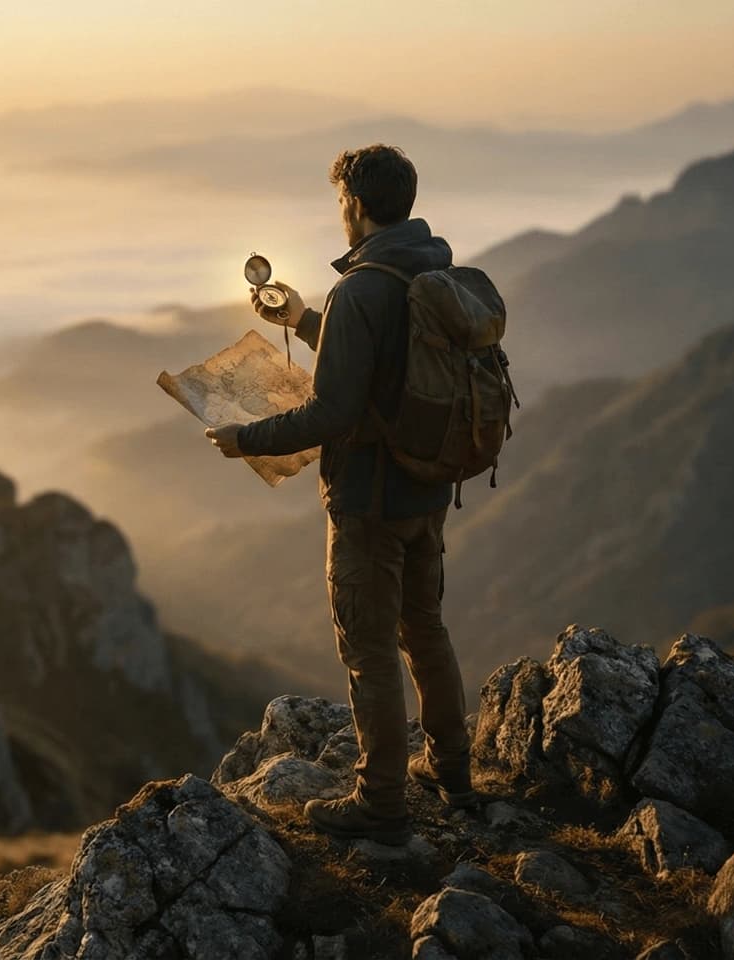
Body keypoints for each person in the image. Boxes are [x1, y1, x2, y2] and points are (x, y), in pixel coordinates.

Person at [205, 144, 475, 846]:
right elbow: (386, 369)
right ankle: (454, 773)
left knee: (370, 650)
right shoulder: (429, 268)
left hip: (367, 499)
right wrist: (301, 321)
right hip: (425, 486)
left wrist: (244, 439)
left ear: (354, 204)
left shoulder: (361, 287)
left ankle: (381, 803)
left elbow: (333, 414)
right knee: (426, 628)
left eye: (340, 203)